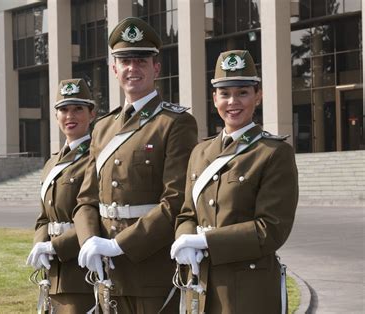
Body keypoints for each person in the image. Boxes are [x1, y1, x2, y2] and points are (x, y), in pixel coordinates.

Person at [73, 17, 198, 313]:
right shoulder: (103, 127)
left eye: (141, 61)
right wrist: (89, 239)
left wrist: (120, 245)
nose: (133, 68)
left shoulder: (176, 123)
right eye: (125, 61)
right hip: (108, 273)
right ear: (115, 69)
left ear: (156, 68)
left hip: (152, 273)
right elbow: (85, 200)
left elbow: (176, 200)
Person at [171, 50, 299, 314]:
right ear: (214, 98)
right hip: (202, 286)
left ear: (258, 95)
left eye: (242, 92)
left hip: (250, 292)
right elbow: (186, 213)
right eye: (225, 93)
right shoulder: (200, 152)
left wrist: (205, 241)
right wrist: (185, 239)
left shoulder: (273, 152)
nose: (233, 101)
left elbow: (271, 229)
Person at [26, 78, 96, 313]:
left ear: (92, 114)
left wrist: (55, 247)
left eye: (78, 108)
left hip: (81, 272)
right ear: (56, 116)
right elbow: (44, 217)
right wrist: (40, 244)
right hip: (52, 273)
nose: (70, 116)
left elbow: (95, 217)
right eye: (64, 109)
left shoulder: (96, 158)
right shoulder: (52, 163)